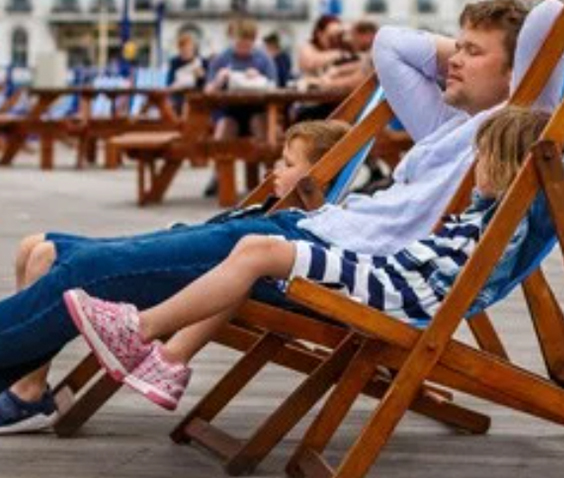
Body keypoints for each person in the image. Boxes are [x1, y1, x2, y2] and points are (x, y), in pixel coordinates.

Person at [0, 0, 562, 466]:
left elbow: (553, 21)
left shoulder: (516, 125)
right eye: (453, 48)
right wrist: (466, 56)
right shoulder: (448, 129)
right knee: (78, 260)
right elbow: (392, 42)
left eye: (472, 52)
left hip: (318, 258)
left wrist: (513, 71)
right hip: (302, 228)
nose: (451, 60)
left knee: (85, 271)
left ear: (523, 71)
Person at [63, 106, 551, 409]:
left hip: (400, 293)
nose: (477, 166)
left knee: (256, 252)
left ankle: (142, 332)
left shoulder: (515, 214)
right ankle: (164, 359)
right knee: (253, 254)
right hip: (392, 280)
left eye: (485, 157)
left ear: (509, 164)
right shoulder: (492, 211)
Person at [0, 119, 351, 435]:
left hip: (175, 281)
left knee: (43, 256)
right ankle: (26, 383)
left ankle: (28, 393)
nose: (275, 169)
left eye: (287, 163)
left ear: (318, 177)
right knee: (31, 246)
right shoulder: (273, 212)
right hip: (167, 257)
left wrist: (312, 199)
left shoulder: (294, 236)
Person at [204, 18, 278, 196]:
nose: (243, 49)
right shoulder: (222, 58)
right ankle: (217, 176)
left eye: (247, 45)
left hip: (256, 110)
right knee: (223, 130)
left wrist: (260, 78)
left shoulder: (263, 58)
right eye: (240, 44)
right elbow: (207, 91)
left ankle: (269, 180)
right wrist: (219, 79)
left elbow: (275, 87)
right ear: (233, 39)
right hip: (230, 111)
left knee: (263, 131)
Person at [166, 32, 207, 114]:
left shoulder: (202, 62)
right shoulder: (175, 62)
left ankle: (183, 126)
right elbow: (169, 83)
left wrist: (202, 76)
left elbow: (205, 84)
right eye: (183, 50)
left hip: (196, 95)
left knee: (187, 104)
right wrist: (175, 85)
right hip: (178, 94)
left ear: (193, 49)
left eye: (188, 49)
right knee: (169, 105)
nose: (185, 52)